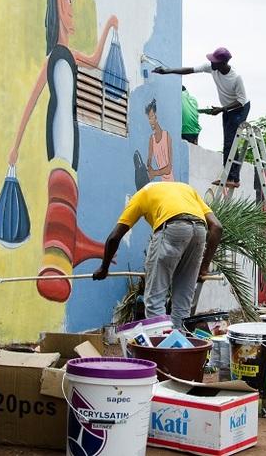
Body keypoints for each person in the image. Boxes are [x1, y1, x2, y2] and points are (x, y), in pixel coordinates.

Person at [7, 0, 118, 302]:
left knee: (69, 179)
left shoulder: (70, 53)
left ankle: (67, 246)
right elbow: (32, 103)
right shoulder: (54, 55)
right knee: (62, 181)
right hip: (58, 135)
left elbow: (98, 57)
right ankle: (58, 252)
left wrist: (109, 28)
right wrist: (14, 149)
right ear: (56, 7)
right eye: (66, 0)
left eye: (71, 0)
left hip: (71, 139)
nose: (71, 9)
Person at [93, 182, 223, 329]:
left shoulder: (142, 194)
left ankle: (162, 346)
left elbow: (114, 237)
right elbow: (217, 227)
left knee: (155, 299)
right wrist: (203, 268)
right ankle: (179, 346)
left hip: (173, 227)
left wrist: (104, 268)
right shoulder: (187, 189)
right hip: (200, 230)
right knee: (183, 301)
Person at [152, 47, 249, 187]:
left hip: (240, 107)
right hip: (227, 108)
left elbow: (241, 101)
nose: (211, 63)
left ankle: (231, 178)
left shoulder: (235, 78)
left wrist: (222, 109)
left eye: (215, 61)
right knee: (229, 140)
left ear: (223, 63)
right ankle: (234, 178)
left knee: (230, 140)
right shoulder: (212, 68)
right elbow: (190, 70)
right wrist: (167, 71)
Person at [144, 99, 174, 181]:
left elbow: (168, 168)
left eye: (151, 117)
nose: (150, 121)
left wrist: (154, 173)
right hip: (161, 183)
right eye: (149, 119)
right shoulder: (152, 139)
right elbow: (149, 160)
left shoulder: (167, 136)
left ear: (156, 117)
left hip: (170, 182)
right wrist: (149, 166)